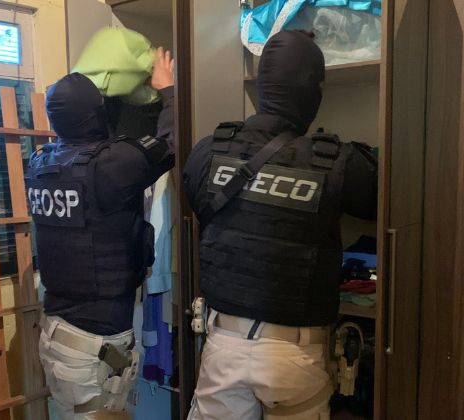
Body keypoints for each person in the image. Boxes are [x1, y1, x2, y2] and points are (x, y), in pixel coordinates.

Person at [183, 30, 377, 420]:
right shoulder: (337, 161)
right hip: (295, 354)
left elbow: (199, 206)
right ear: (313, 92)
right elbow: (381, 197)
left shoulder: (209, 150)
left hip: (223, 345)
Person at [27, 47, 175, 419]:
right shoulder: (110, 165)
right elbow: (171, 144)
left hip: (61, 336)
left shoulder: (41, 163)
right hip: (91, 351)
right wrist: (168, 90)